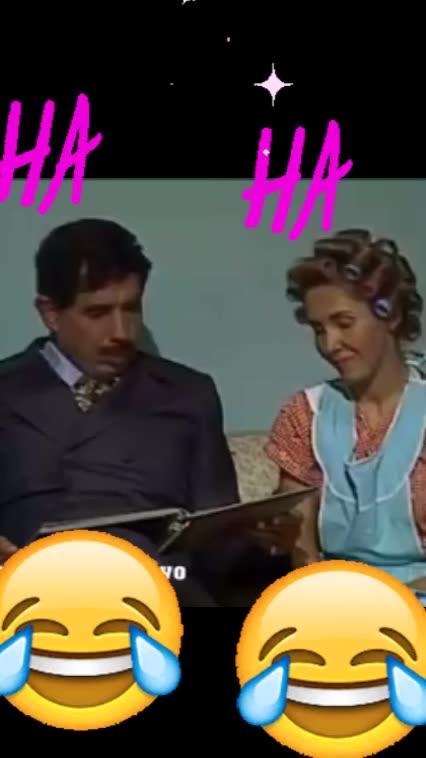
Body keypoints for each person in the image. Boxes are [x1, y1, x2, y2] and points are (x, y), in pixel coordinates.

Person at [0, 218, 300, 604]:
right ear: (51, 313)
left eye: (131, 308)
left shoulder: (187, 395)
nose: (121, 332)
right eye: (98, 313)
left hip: (161, 590)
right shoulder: (8, 391)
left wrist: (265, 543)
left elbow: (219, 553)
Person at [265, 228, 426, 585]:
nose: (330, 344)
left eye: (344, 323)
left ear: (391, 316)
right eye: (318, 329)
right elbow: (304, 557)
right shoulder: (305, 414)